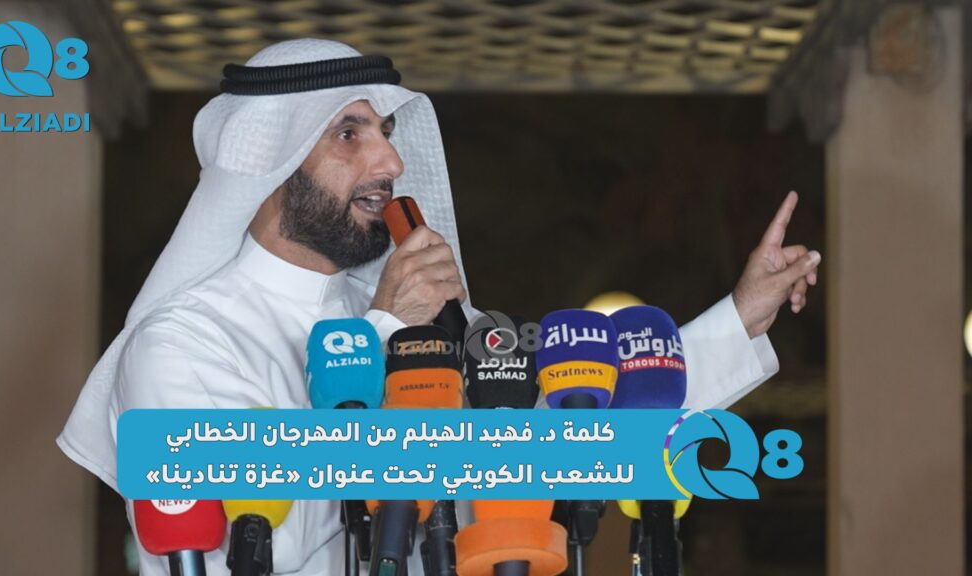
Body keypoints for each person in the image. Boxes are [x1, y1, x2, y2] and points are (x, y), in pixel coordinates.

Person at [57, 39, 820, 575]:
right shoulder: (182, 342)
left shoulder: (412, 325)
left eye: (386, 134)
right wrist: (385, 333)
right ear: (266, 163)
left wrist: (740, 316)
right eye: (349, 135)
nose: (390, 162)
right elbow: (254, 547)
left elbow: (565, 439)